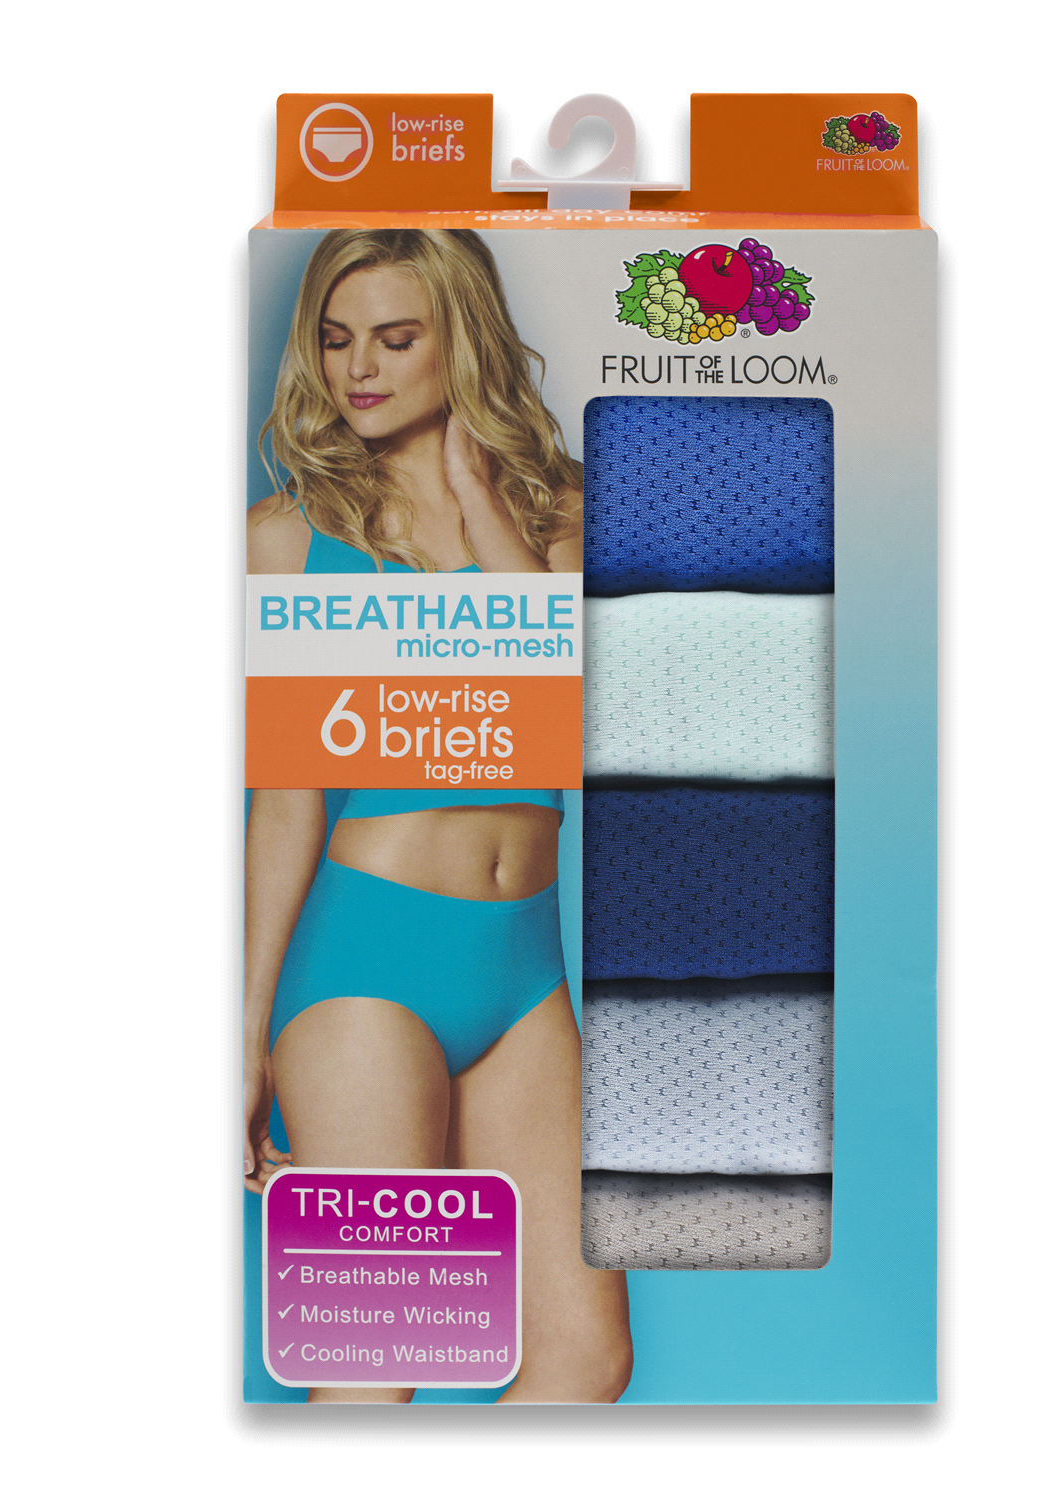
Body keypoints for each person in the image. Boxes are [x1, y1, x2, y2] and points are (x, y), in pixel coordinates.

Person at [244, 229, 631, 1404]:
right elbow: (285, 802)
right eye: (335, 339)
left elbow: (582, 728)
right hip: (360, 967)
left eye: (396, 337)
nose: (358, 368)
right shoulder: (287, 540)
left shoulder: (563, 517)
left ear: (460, 340)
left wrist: (478, 502)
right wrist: (239, 1037)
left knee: (582, 1360)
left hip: (524, 977)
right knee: (376, 1365)